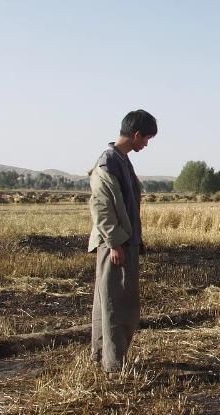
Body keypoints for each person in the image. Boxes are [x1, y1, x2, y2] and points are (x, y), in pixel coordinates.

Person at [87, 109, 157, 374]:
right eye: (147, 139)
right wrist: (115, 244)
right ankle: (115, 364)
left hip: (123, 242)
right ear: (136, 134)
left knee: (108, 301)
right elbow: (101, 208)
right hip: (114, 244)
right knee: (119, 305)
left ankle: (103, 357)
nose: (146, 144)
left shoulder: (122, 160)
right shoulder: (108, 163)